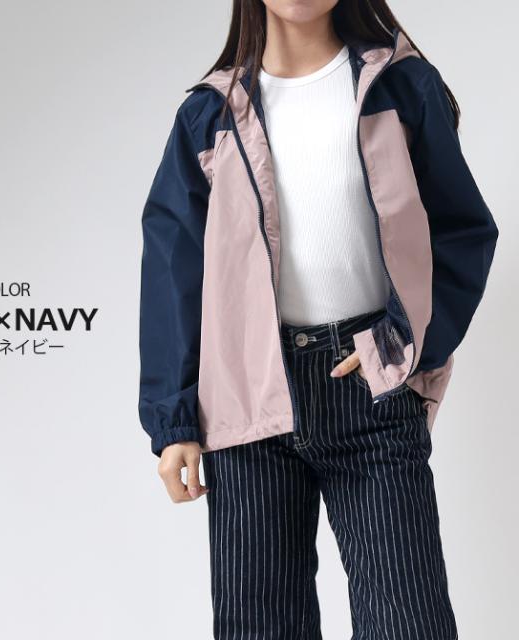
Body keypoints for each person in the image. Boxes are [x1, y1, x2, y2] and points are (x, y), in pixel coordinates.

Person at [138, 1, 498, 638]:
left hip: (370, 390)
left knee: (408, 624)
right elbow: (174, 271)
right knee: (260, 628)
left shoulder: (400, 85)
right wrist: (173, 419)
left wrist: (401, 348)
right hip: (249, 404)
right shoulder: (208, 116)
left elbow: (463, 233)